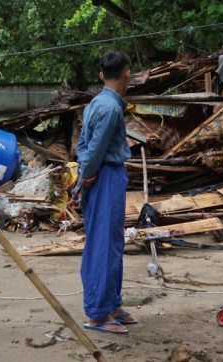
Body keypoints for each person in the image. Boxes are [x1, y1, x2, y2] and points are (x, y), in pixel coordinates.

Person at [71, 50, 137, 334]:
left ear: (101, 75)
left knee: (110, 240)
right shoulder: (110, 109)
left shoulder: (96, 103)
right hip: (106, 176)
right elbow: (96, 148)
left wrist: (84, 172)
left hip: (101, 175)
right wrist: (86, 174)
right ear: (127, 74)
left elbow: (83, 144)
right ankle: (98, 313)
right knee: (104, 244)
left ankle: (111, 305)